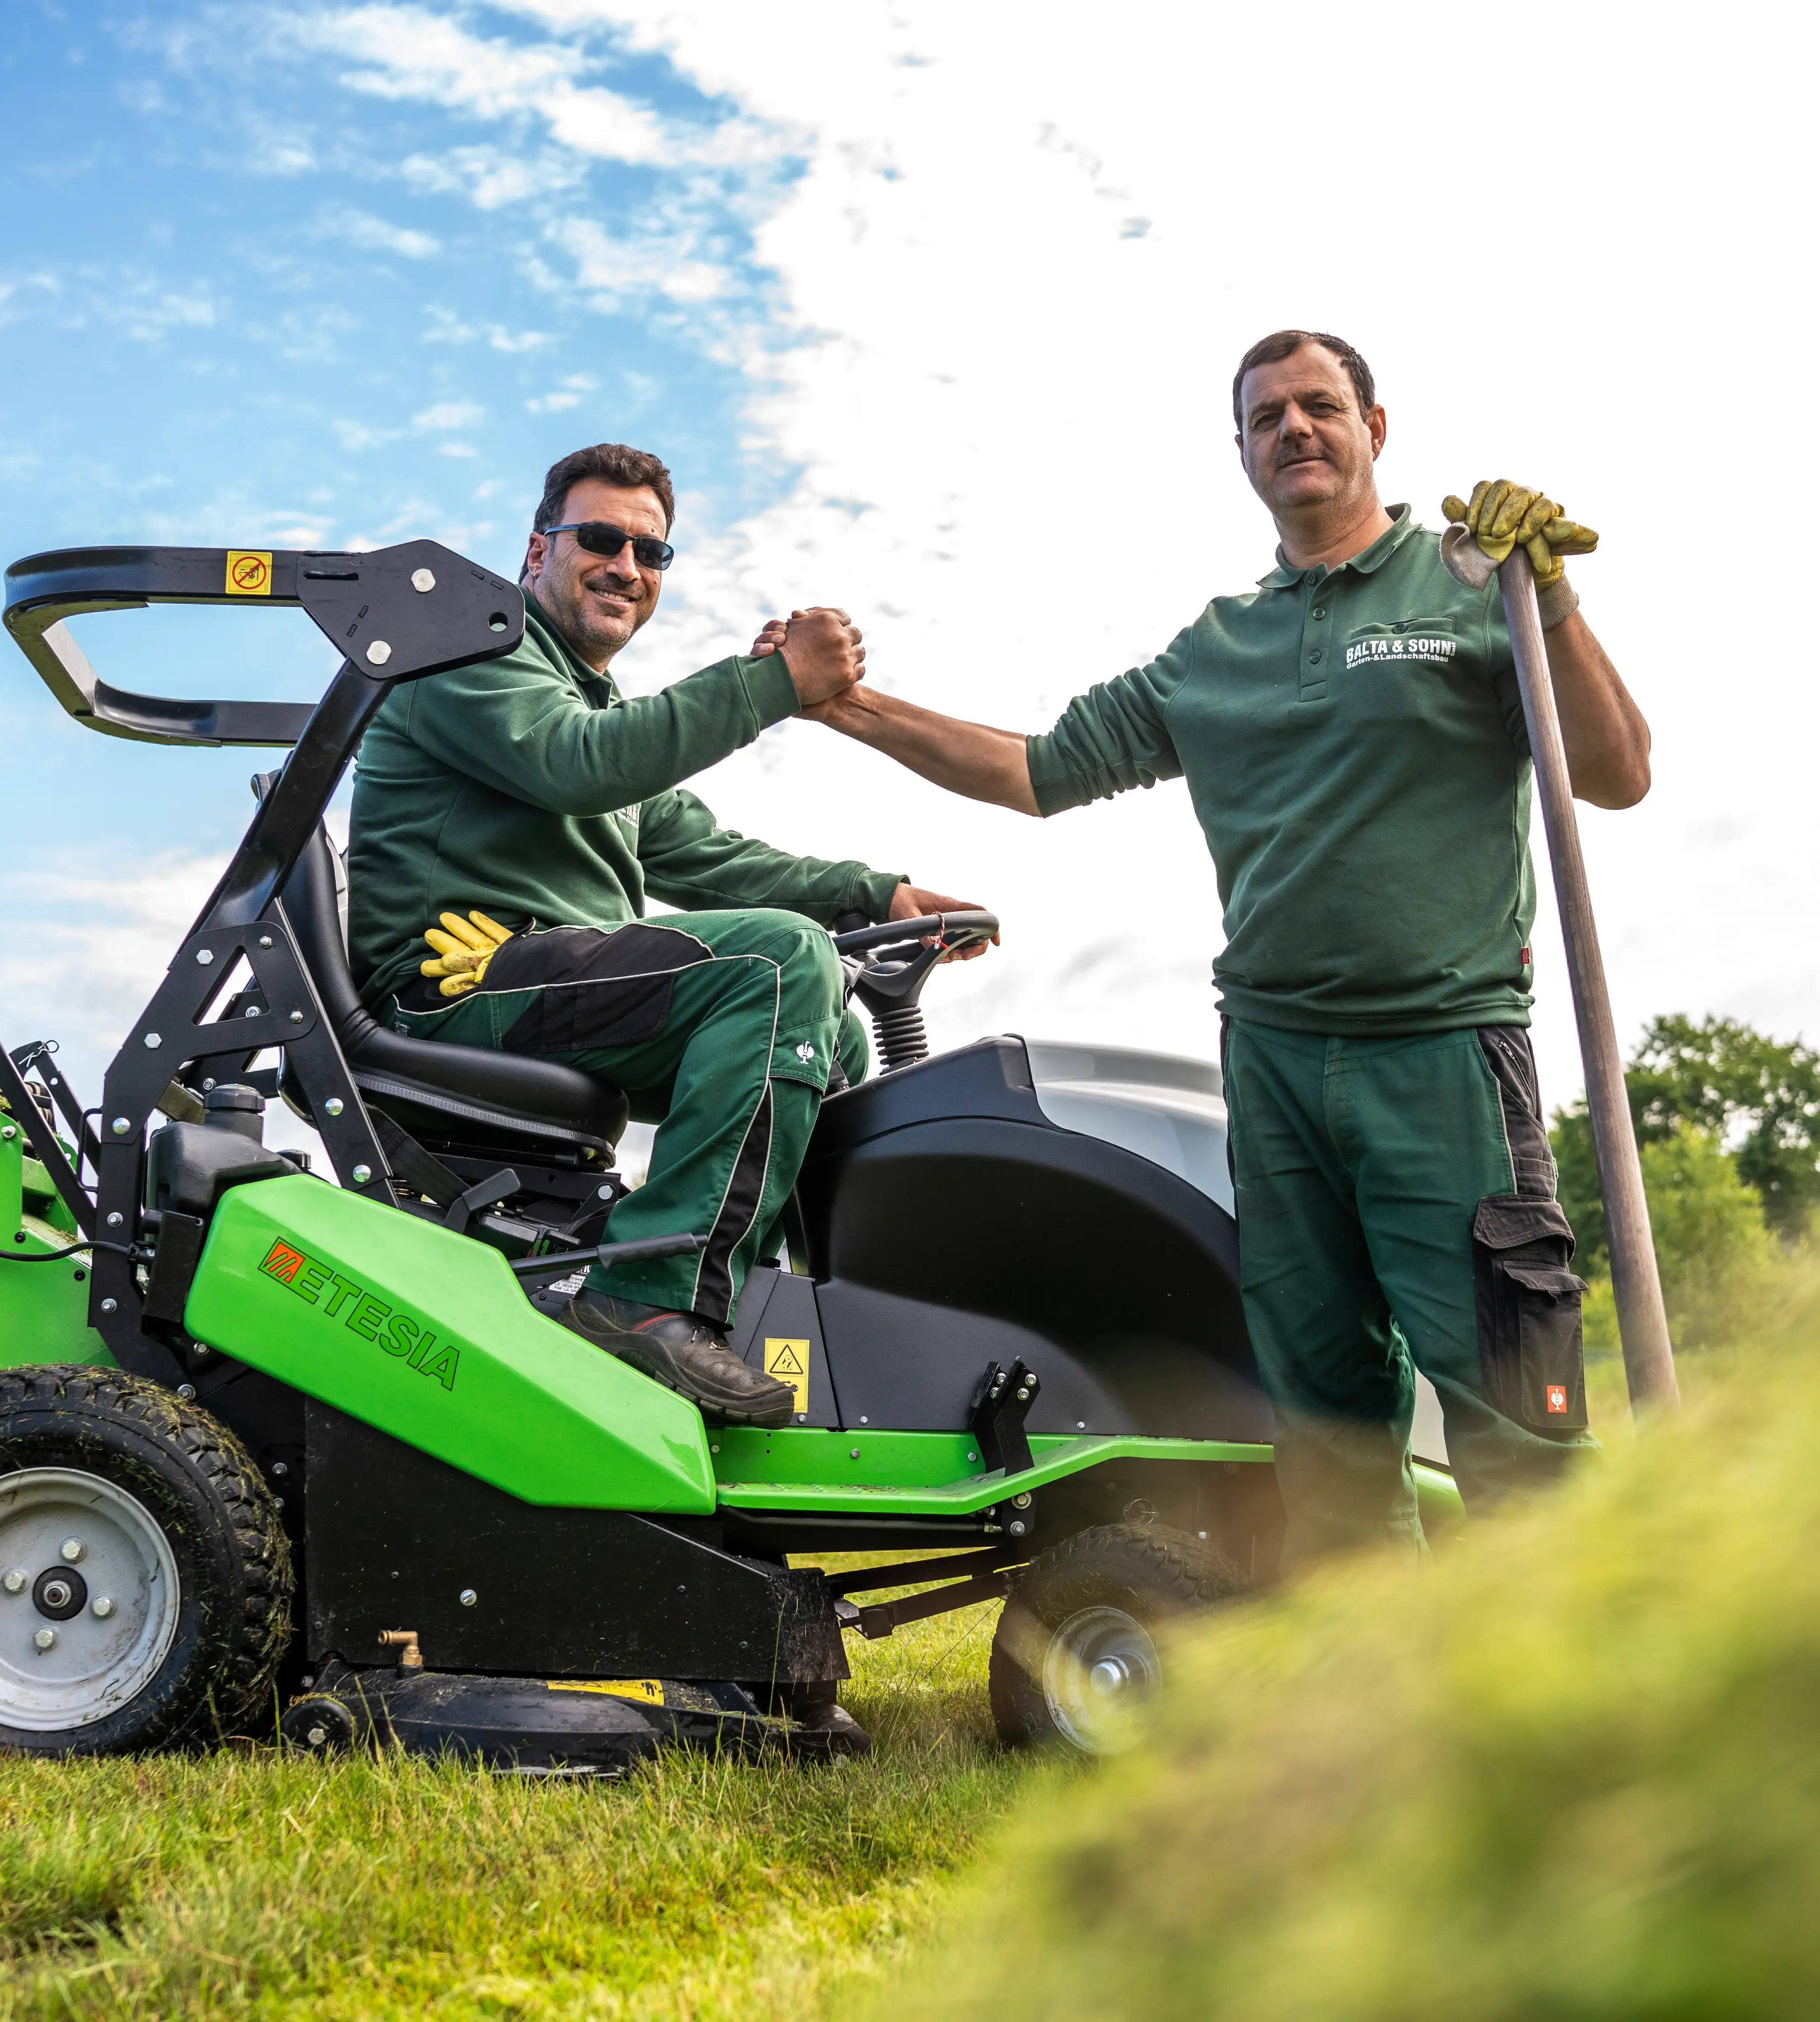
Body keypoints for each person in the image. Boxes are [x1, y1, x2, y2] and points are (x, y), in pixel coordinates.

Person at [800, 331, 1653, 1559]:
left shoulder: (1473, 588)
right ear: (1244, 450)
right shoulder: (1218, 648)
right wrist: (845, 707)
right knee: (1325, 1423)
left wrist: (1551, 600)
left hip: (1443, 1056)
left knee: (1513, 1409)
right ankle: (1379, 1705)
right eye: (1267, 417)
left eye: (1321, 406)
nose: (1295, 429)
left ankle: (1578, 1706)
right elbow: (1036, 772)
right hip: (1274, 1063)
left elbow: (1617, 772)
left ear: (1376, 428)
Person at [346, 441, 986, 1427]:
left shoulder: (590, 707)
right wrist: (773, 683)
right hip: (462, 987)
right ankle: (651, 1300)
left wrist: (879, 892)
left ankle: (787, 1315)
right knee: (778, 964)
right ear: (536, 549)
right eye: (601, 539)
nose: (628, 568)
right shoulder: (470, 655)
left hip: (554, 985)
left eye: (653, 554)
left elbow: (711, 855)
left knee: (838, 1031)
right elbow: (578, 764)